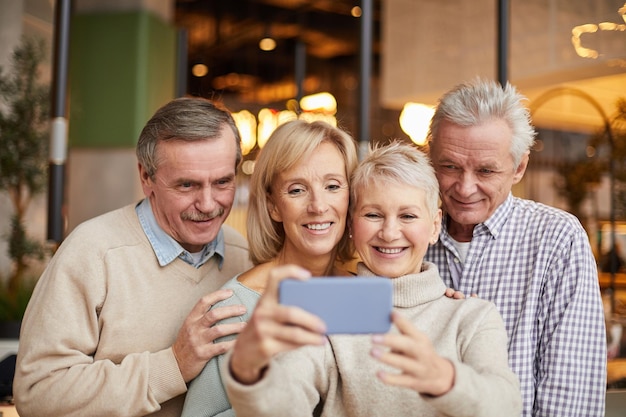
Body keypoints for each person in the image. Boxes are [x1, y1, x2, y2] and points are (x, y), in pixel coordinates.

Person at [221, 141, 522, 417]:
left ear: (434, 226)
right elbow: (284, 407)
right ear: (352, 224)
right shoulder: (331, 311)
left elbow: (506, 405)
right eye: (373, 215)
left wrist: (446, 379)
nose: (389, 233)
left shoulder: (472, 316)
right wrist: (249, 373)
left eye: (407, 216)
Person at [13, 97, 254, 417]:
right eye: (187, 185)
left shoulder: (246, 259)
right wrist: (174, 366)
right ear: (146, 178)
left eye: (222, 182)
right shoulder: (92, 253)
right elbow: (37, 393)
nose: (209, 204)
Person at [424, 78, 607, 417]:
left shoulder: (557, 239)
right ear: (429, 155)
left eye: (486, 170)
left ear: (519, 167)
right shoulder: (407, 238)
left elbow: (569, 400)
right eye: (449, 166)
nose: (465, 188)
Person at [181, 119, 359, 417]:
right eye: (297, 190)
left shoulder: (365, 291)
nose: (318, 205)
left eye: (332, 186)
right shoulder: (236, 307)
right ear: (273, 205)